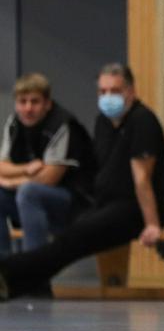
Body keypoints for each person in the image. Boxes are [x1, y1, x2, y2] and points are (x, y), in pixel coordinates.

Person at [0, 64, 164, 298]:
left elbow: (142, 177)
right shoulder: (103, 123)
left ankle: (11, 274)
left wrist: (152, 224)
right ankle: (16, 280)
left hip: (134, 209)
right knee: (69, 238)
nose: (108, 97)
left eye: (115, 91)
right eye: (103, 91)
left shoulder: (143, 121)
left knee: (74, 238)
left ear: (131, 91)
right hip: (103, 205)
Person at [0, 73, 95, 256]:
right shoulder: (14, 123)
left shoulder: (62, 125)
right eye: (22, 101)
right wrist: (26, 169)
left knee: (29, 192)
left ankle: (35, 274)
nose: (28, 108)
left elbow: (48, 179)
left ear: (47, 104)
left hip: (75, 205)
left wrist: (11, 181)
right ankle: (4, 272)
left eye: (34, 102)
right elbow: (2, 166)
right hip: (32, 201)